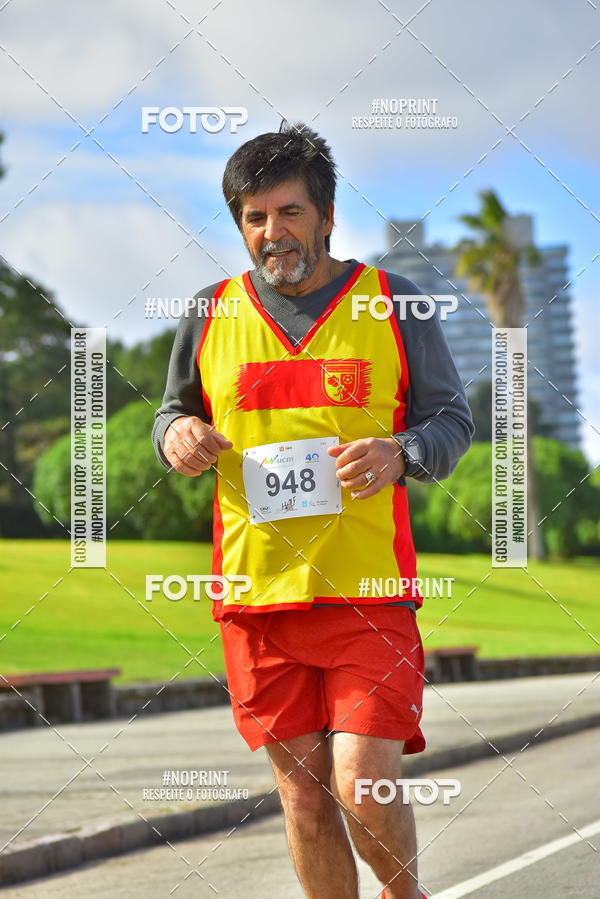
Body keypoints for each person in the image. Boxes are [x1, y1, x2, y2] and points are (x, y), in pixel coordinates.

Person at [152, 120, 474, 899]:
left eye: (288, 212)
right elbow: (168, 418)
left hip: (367, 596)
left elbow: (452, 420)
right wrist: (181, 435)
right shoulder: (209, 311)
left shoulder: (394, 302)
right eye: (254, 217)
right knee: (303, 796)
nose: (272, 232)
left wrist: (401, 451)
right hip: (257, 603)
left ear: (327, 214)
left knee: (362, 783)